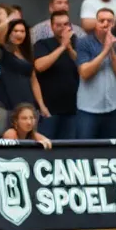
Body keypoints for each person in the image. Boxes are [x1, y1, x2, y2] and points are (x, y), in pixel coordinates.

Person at [75, 8, 116, 138]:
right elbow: (84, 73)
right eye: (102, 20)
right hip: (88, 109)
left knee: (113, 152)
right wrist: (105, 50)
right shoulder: (83, 43)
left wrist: (112, 51)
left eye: (109, 21)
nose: (105, 24)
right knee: (85, 151)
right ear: (96, 23)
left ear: (114, 24)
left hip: (113, 107)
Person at [32, 10, 79, 140]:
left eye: (65, 24)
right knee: (47, 147)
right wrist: (62, 47)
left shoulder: (77, 43)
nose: (63, 28)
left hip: (73, 109)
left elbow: (82, 66)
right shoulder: (42, 44)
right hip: (49, 109)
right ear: (52, 26)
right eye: (58, 25)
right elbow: (39, 66)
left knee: (69, 149)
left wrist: (69, 48)